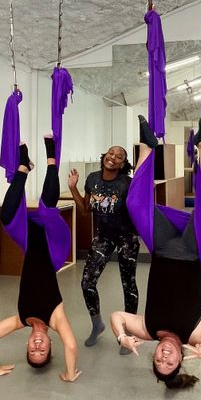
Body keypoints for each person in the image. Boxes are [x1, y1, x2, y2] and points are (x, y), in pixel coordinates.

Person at [110, 114, 201, 389]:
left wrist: (121, 336)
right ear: (181, 359)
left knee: (135, 205)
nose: (164, 357)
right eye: (170, 363)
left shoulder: (147, 330)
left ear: (154, 355)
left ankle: (146, 146)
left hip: (161, 247)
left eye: (159, 361)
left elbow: (118, 317)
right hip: (194, 252)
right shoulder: (196, 334)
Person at [0, 137, 80, 382]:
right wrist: (69, 374)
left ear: (26, 345)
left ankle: (24, 166)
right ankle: (51, 157)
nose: (37, 346)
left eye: (32, 351)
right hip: (54, 247)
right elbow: (70, 345)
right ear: (49, 344)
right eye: (43, 350)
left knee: (6, 215)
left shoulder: (20, 318)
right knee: (47, 209)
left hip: (31, 242)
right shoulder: (55, 318)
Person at [68, 145, 139, 349]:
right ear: (104, 156)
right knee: (87, 282)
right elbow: (85, 209)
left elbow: (139, 208)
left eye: (119, 157)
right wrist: (73, 188)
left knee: (128, 285)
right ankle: (97, 324)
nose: (113, 158)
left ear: (123, 164)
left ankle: (130, 332)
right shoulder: (93, 179)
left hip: (127, 237)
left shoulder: (127, 183)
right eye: (111, 153)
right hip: (104, 237)